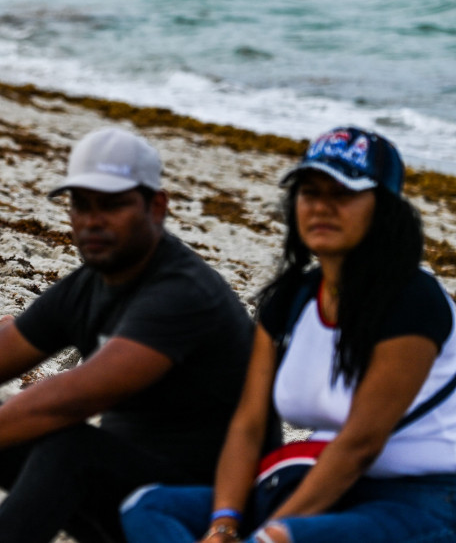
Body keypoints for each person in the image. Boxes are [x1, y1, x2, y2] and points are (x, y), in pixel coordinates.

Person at [0, 127, 255, 543]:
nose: (92, 220)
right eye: (81, 205)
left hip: (196, 511)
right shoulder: (93, 282)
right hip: (118, 488)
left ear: (157, 207)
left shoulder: (181, 292)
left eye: (112, 205)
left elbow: (72, 396)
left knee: (67, 449)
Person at [120, 126, 456, 543]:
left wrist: (259, 532)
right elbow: (248, 423)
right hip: (323, 482)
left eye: (343, 194)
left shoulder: (413, 300)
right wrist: (224, 523)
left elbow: (360, 445)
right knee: (148, 506)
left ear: (383, 208)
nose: (322, 208)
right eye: (310, 193)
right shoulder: (290, 300)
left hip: (428, 499)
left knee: (278, 538)